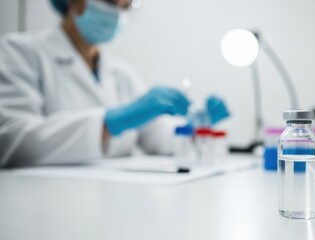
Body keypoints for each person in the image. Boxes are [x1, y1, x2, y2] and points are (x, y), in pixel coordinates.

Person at [0, 0, 229, 167]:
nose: (118, 12)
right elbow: (13, 141)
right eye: (111, 1)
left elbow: (155, 134)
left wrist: (195, 124)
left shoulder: (122, 73)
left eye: (126, 5)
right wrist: (108, 123)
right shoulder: (18, 52)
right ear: (75, 2)